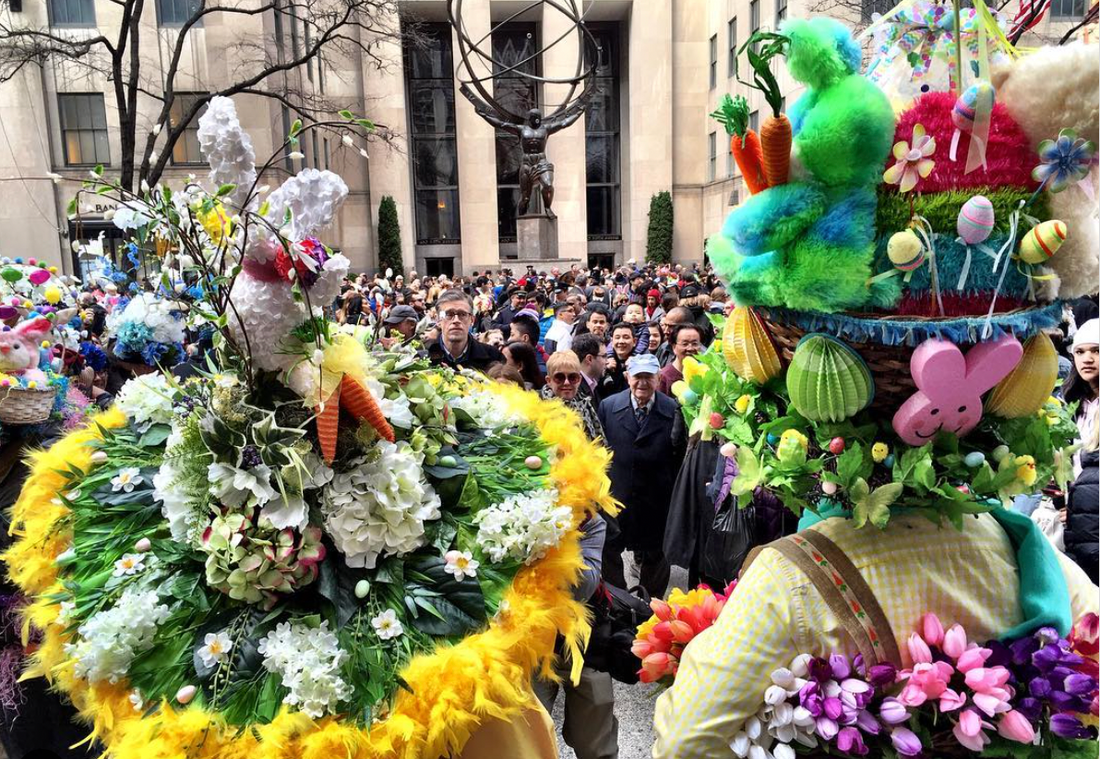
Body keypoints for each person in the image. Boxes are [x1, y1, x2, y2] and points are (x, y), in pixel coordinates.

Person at [597, 354, 685, 597]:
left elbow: (679, 454)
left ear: (658, 378)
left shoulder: (673, 409)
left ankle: (648, 604)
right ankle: (619, 600)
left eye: (649, 377)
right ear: (627, 378)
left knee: (656, 553)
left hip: (656, 497)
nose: (642, 383)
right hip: (618, 494)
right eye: (638, 377)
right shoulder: (608, 406)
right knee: (610, 549)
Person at [1063, 318, 1098, 580]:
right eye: (1080, 351)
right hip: (1078, 523)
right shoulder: (1068, 406)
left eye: (1096, 351)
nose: (1087, 358)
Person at [427, 290, 504, 372]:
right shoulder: (423, 358)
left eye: (462, 314)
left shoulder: (493, 357)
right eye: (448, 314)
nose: (456, 320)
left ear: (472, 320)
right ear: (439, 320)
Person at [540, 350, 603, 441]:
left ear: (579, 380)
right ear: (549, 380)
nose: (566, 382)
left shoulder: (585, 404)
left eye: (572, 377)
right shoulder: (539, 407)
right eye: (559, 377)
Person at [657, 324, 703, 396]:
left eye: (694, 344)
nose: (690, 348)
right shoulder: (664, 377)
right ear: (674, 347)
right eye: (685, 344)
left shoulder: (705, 372)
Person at [599, 322, 635, 399]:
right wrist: (604, 370)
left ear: (634, 341)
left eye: (626, 337)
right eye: (617, 337)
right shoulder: (603, 361)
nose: (621, 341)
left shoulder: (640, 363)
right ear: (612, 341)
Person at [572, 333, 607, 402]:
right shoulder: (575, 390)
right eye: (603, 356)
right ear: (589, 359)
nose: (607, 361)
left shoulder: (594, 385)